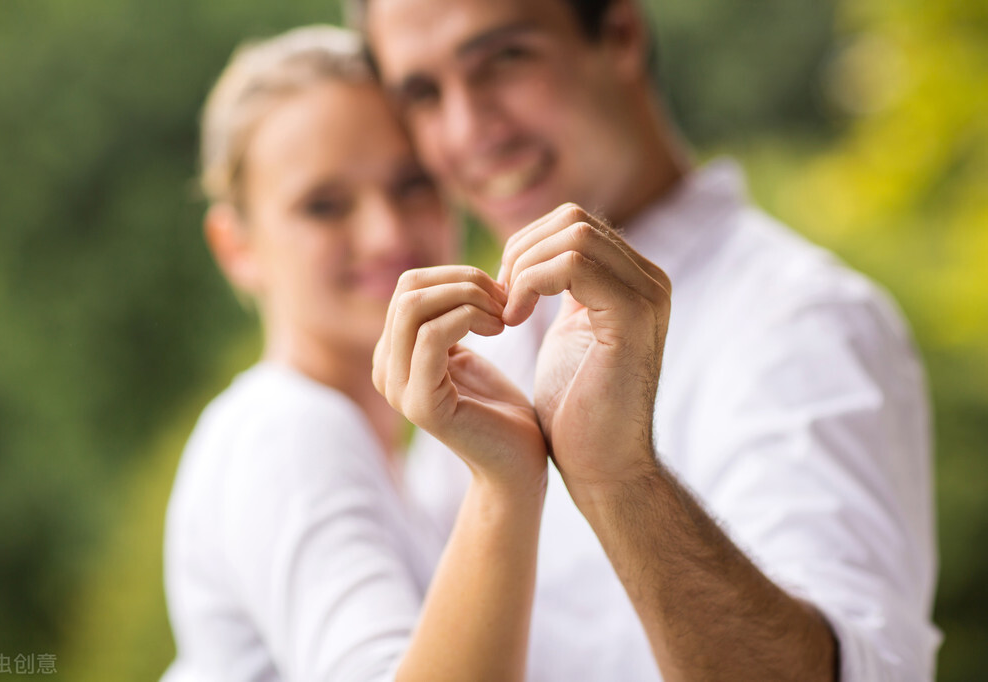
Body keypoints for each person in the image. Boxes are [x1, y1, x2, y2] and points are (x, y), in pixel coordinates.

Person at [354, 0, 940, 679]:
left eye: (504, 59)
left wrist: (620, 481)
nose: (467, 130)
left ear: (621, 33)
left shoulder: (802, 318)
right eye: (422, 94)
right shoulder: (479, 355)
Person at [163, 26, 549, 681]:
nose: (386, 233)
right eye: (323, 206)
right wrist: (507, 488)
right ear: (237, 247)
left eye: (412, 184)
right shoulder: (287, 433)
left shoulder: (402, 461)